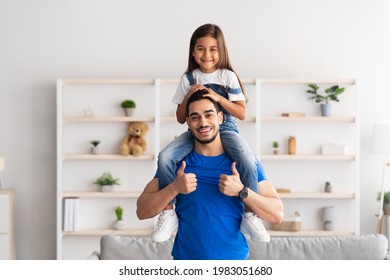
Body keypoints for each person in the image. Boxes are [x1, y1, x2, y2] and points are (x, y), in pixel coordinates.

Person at [153, 23, 270, 243]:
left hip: (227, 128)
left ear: (221, 51)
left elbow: (242, 113)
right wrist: (190, 95)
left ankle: (250, 215)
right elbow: (180, 117)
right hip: (195, 129)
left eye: (213, 49)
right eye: (201, 48)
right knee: (165, 157)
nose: (206, 54)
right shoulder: (188, 78)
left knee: (247, 158)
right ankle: (168, 213)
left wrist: (217, 98)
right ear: (193, 51)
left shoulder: (228, 77)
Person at [136, 91, 283, 260]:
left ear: (220, 118)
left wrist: (243, 191)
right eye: (195, 117)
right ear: (189, 123)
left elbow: (276, 214)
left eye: (209, 115)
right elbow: (142, 211)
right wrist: (174, 188)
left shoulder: (244, 163)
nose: (203, 122)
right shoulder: (176, 165)